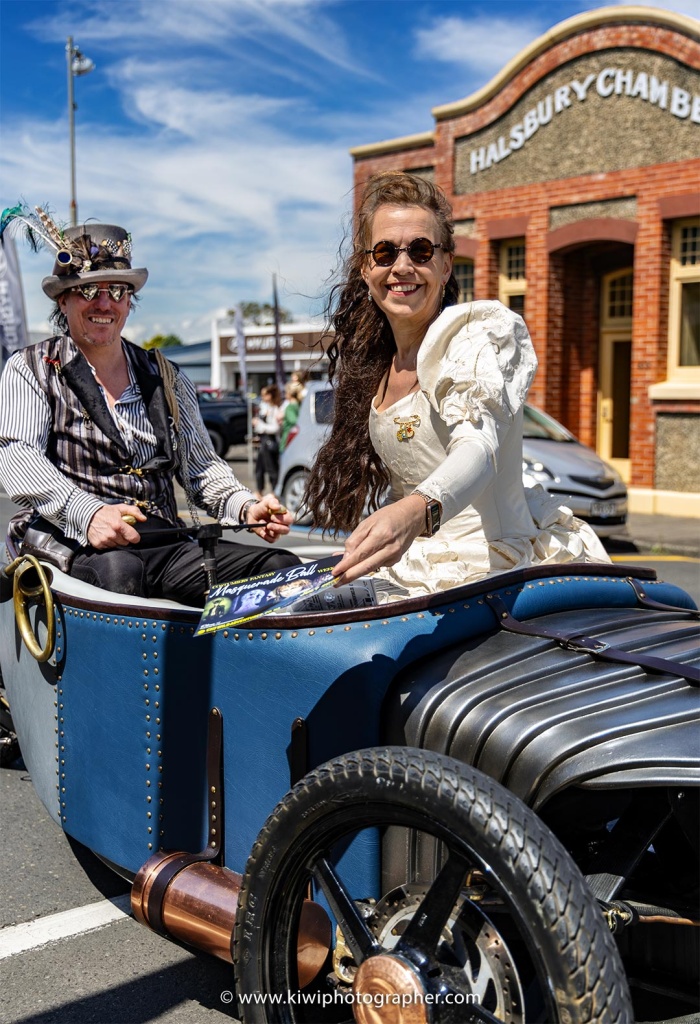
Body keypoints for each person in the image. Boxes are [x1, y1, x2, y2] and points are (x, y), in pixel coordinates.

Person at [305, 172, 609, 598]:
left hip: (490, 568)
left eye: (421, 250)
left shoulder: (471, 338)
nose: (403, 266)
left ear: (446, 264)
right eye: (385, 251)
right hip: (417, 567)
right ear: (366, 267)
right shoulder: (378, 362)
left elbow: (477, 450)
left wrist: (413, 513)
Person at [0, 213, 299, 606]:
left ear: (129, 300)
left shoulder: (165, 375)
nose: (105, 303)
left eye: (117, 291)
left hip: (165, 542)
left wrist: (246, 506)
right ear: (64, 298)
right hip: (79, 545)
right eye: (89, 291)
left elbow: (201, 468)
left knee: (282, 569)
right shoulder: (31, 367)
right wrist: (87, 514)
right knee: (120, 573)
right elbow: (17, 455)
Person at [252, 384, 281, 495]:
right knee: (260, 467)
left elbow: (275, 428)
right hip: (263, 440)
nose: (262, 396)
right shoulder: (263, 407)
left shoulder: (275, 409)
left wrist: (260, 425)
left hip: (270, 441)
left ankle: (274, 491)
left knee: (271, 468)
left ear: (270, 395)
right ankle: (259, 491)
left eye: (264, 394)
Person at [279, 380, 303, 451]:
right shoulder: (299, 404)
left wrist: (283, 419)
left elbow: (294, 421)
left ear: (289, 393)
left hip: (289, 437)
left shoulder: (290, 407)